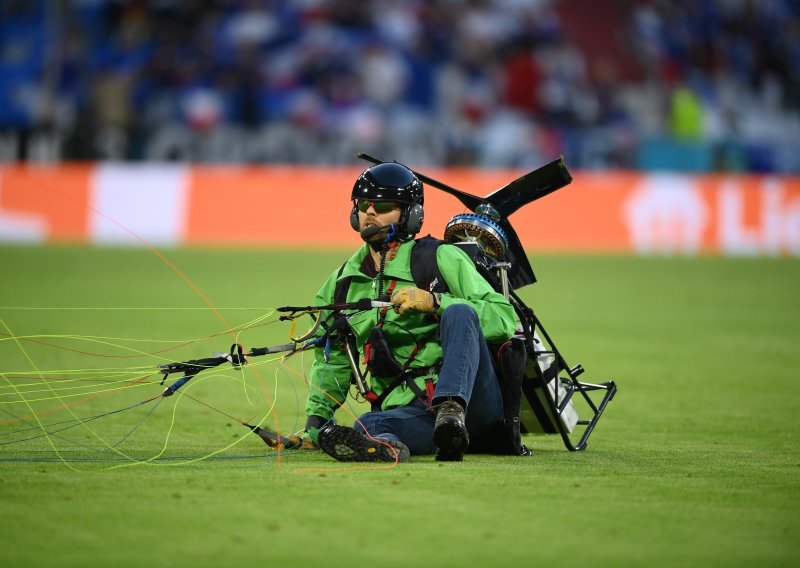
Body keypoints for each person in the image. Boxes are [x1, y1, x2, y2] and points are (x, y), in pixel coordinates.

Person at [303, 162, 518, 462]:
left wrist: (435, 302)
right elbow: (333, 358)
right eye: (363, 205)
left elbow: (504, 318)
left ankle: (451, 412)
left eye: (383, 205)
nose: (370, 213)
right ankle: (389, 448)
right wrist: (315, 425)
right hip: (412, 413)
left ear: (411, 214)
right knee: (369, 424)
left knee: (460, 313)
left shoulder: (441, 258)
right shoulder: (342, 284)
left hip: (475, 404)